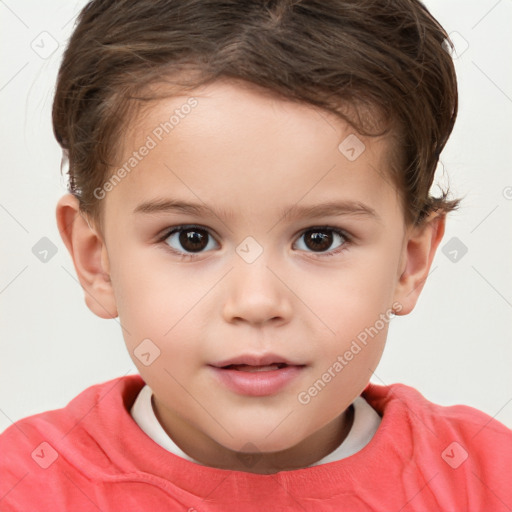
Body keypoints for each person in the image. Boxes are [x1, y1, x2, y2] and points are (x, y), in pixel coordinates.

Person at [1, 0, 511, 510]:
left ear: (410, 261)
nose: (257, 301)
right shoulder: (23, 487)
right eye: (191, 238)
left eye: (320, 238)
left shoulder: (487, 479)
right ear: (97, 261)